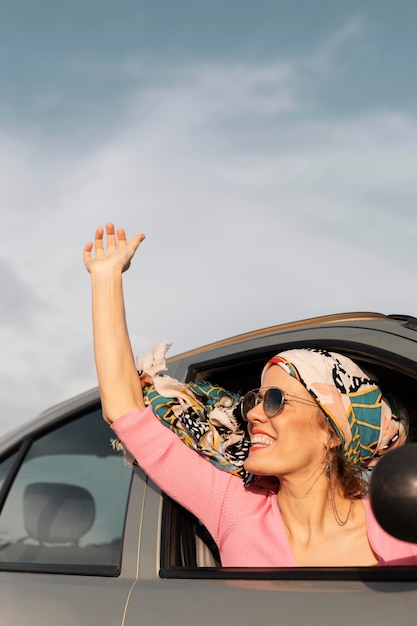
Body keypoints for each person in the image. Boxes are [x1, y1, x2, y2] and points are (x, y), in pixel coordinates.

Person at [84, 223, 417, 567]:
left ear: (331, 433)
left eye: (274, 401)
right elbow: (125, 409)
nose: (254, 414)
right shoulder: (235, 507)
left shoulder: (400, 532)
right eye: (254, 401)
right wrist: (106, 278)